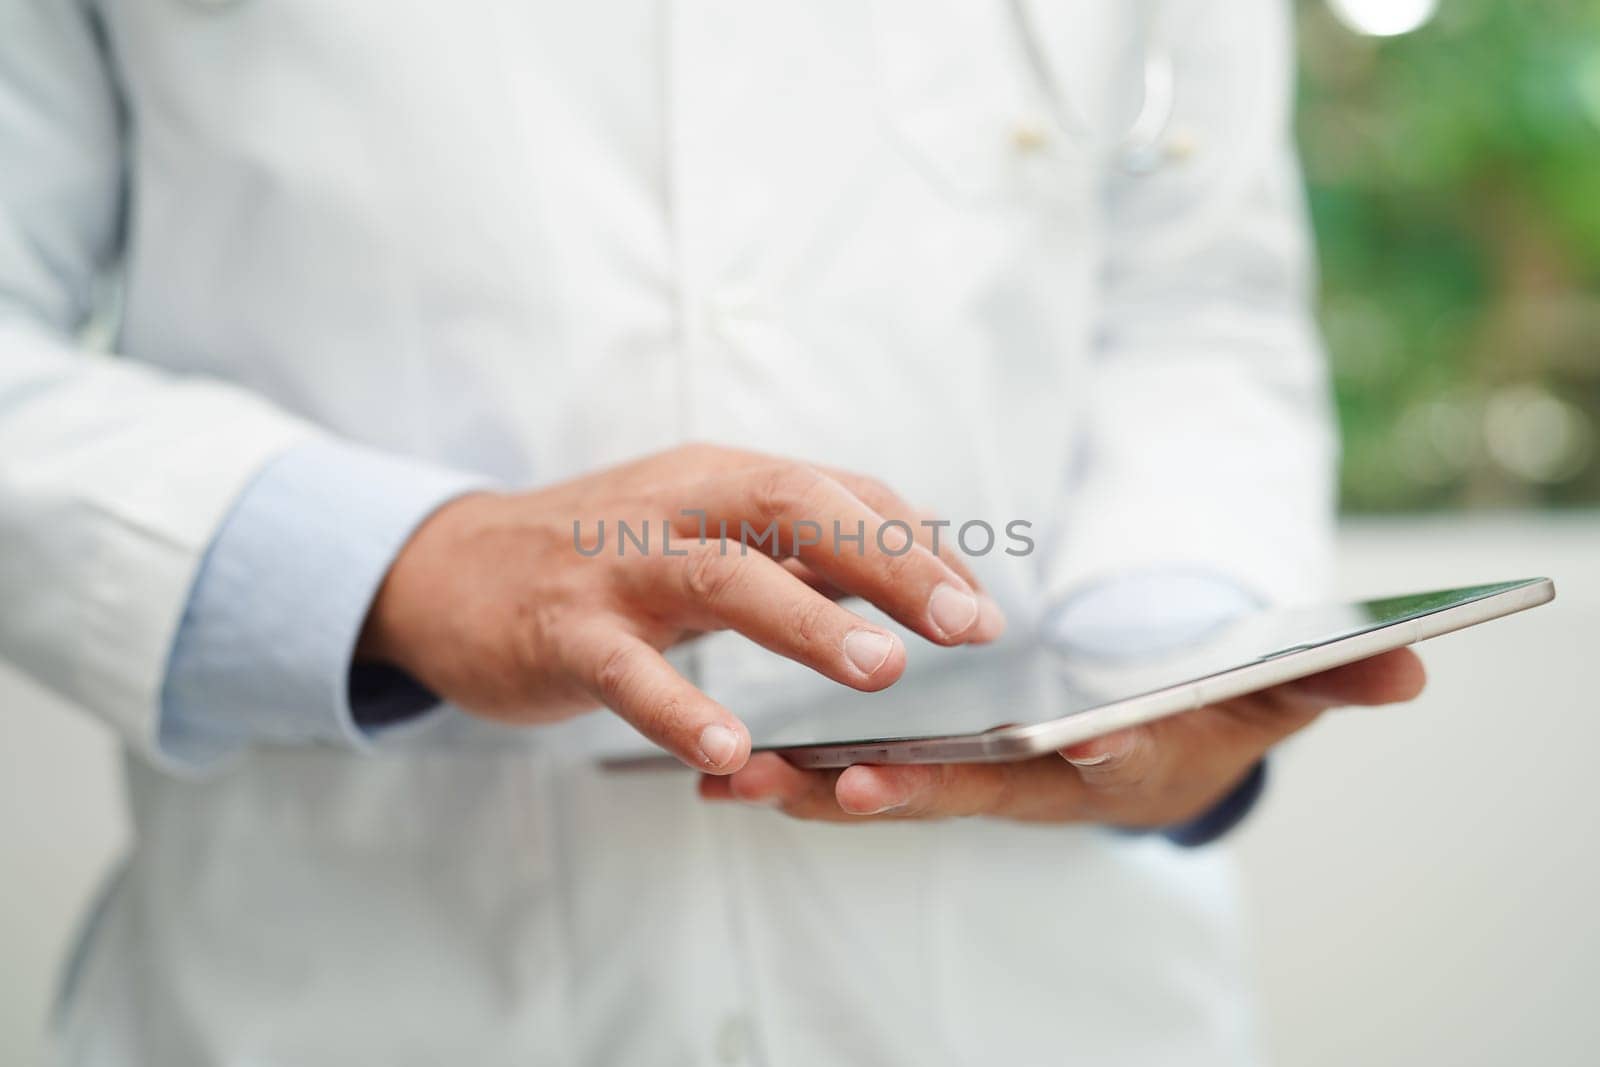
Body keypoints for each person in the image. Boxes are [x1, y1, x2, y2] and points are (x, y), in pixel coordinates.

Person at [0, 0, 1423, 1063]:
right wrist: (397, 569)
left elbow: (1198, 301)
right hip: (340, 988)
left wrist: (1163, 666)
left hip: (1049, 989)